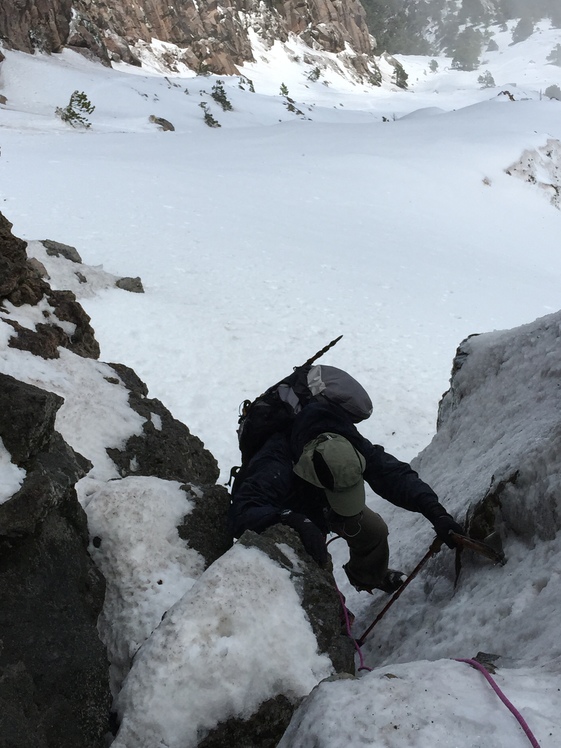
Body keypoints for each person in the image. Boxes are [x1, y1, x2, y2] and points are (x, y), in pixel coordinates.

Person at [229, 398, 463, 594]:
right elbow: (243, 510)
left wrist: (436, 512)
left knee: (373, 530)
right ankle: (333, 616)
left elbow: (394, 475)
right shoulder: (275, 464)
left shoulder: (345, 441)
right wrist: (293, 519)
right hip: (285, 515)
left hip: (318, 504)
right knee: (316, 564)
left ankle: (369, 577)